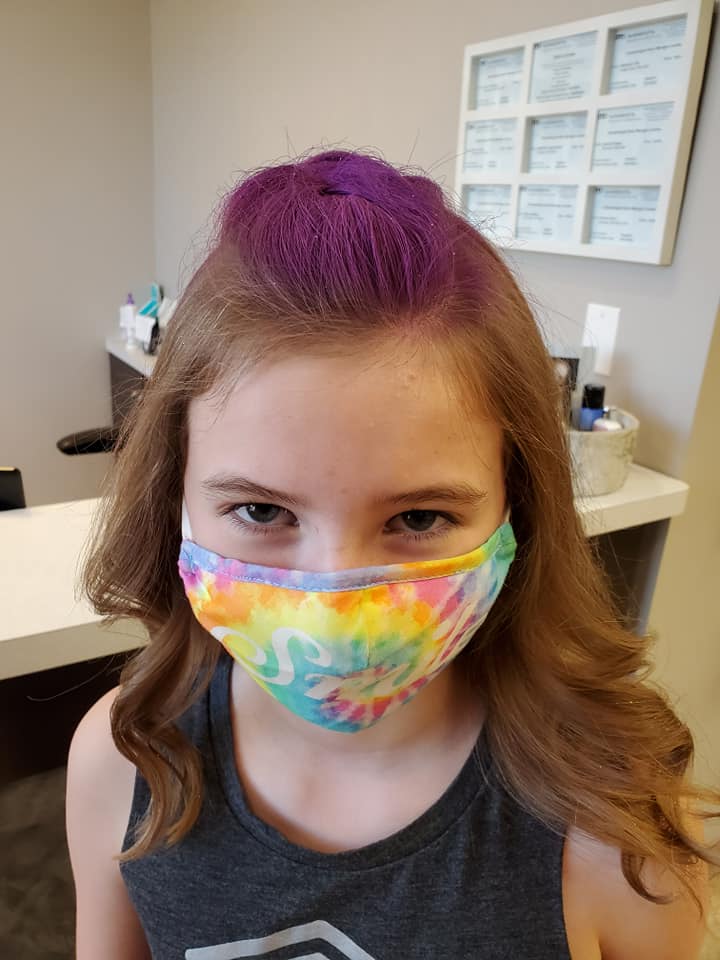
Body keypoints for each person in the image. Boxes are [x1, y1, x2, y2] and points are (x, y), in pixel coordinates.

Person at [66, 147, 718, 960]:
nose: (336, 597)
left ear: (517, 504)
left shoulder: (620, 841)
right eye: (262, 510)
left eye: (418, 516)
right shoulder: (122, 766)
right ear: (175, 500)